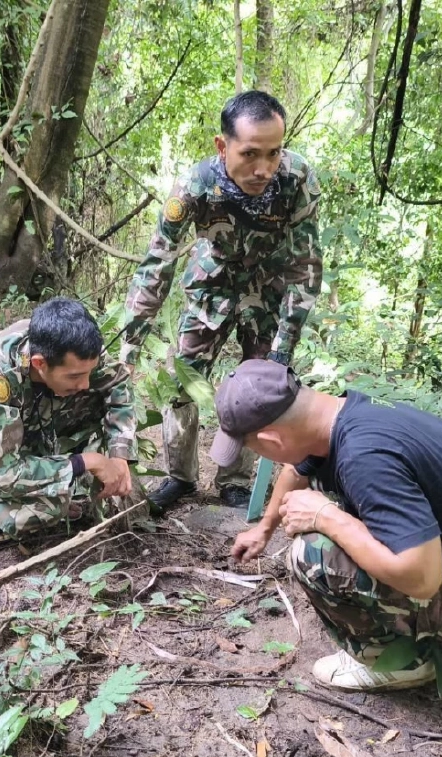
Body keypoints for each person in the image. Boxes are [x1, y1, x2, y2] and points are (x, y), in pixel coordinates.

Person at [215, 360, 442, 692]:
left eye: (254, 448)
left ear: (272, 440)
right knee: (326, 509)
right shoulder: (341, 414)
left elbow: (422, 579)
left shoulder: (364, 458)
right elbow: (296, 470)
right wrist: (264, 529)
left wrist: (326, 517)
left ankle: (397, 663)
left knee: (313, 552)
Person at [121, 90, 322, 512]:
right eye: (250, 154)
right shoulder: (194, 186)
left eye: (274, 153)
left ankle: (235, 479)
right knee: (182, 381)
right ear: (222, 145)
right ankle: (180, 476)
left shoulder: (297, 178)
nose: (263, 168)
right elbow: (156, 265)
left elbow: (306, 265)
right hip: (210, 287)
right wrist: (130, 344)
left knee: (260, 386)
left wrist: (284, 347)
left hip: (268, 290)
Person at [0, 297, 135, 540]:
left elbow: (118, 382)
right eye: (74, 376)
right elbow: (1, 474)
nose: (84, 383)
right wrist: (84, 462)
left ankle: (46, 475)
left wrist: (119, 454)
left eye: (89, 372)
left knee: (90, 397)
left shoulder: (74, 349)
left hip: (12, 428)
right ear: (40, 363)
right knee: (45, 509)